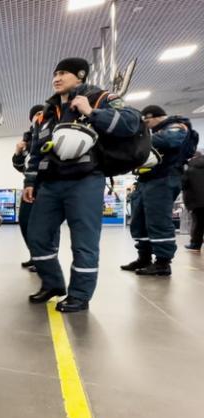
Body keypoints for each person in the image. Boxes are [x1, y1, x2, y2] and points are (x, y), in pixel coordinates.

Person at [24, 57, 140, 312]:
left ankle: (80, 294)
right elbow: (36, 150)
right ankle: (53, 283)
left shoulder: (100, 98)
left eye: (63, 73)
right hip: (51, 183)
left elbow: (132, 122)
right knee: (37, 235)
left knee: (84, 242)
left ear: (80, 76)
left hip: (86, 181)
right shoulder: (47, 112)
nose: (56, 78)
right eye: (55, 73)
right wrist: (31, 181)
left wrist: (91, 112)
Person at [121, 105, 194, 275]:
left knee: (158, 221)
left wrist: (138, 139)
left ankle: (162, 262)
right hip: (146, 180)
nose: (145, 124)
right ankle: (144, 258)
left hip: (164, 178)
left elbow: (170, 141)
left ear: (158, 117)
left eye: (147, 120)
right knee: (138, 221)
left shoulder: (177, 126)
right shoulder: (152, 132)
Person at [14, 104, 45, 271]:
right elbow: (20, 166)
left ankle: (43, 260)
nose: (39, 116)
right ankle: (35, 255)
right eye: (36, 114)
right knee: (25, 221)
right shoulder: (28, 139)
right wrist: (18, 152)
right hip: (29, 186)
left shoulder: (48, 133)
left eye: (42, 113)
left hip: (45, 185)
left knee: (43, 226)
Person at [183, 150, 204, 251]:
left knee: (198, 224)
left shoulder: (189, 170)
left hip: (196, 202)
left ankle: (195, 244)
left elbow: (183, 185)